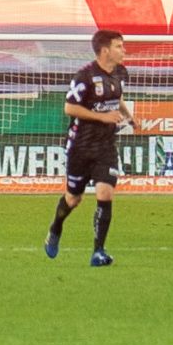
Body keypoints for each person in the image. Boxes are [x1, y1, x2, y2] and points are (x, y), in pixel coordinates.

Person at [45, 28, 150, 267]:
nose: (124, 51)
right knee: (73, 199)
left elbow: (117, 97)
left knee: (105, 193)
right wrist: (101, 117)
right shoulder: (84, 77)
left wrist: (129, 116)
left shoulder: (120, 72)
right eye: (119, 46)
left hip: (106, 145)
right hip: (80, 146)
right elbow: (70, 109)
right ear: (105, 51)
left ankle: (98, 252)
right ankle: (55, 228)